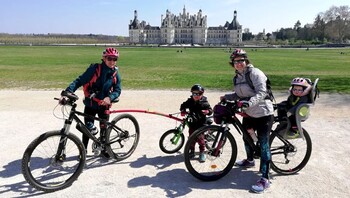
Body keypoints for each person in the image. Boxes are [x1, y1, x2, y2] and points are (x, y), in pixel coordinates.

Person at [220, 49, 274, 193]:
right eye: (235, 61)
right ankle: (250, 160)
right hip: (249, 113)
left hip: (263, 113)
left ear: (246, 60)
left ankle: (265, 178)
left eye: (241, 60)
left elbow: (262, 93)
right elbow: (238, 94)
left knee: (263, 144)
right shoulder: (237, 77)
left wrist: (248, 103)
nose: (238, 63)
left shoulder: (255, 73)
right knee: (246, 137)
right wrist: (227, 97)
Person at [62, 47, 121, 158]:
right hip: (91, 104)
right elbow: (79, 80)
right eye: (110, 58)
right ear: (104, 58)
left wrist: (110, 98)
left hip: (105, 106)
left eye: (115, 59)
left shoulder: (115, 73)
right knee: (87, 130)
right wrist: (68, 91)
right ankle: (83, 150)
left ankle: (104, 148)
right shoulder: (94, 69)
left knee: (104, 128)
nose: (112, 61)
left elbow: (118, 90)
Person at [180, 84, 213, 162]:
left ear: (202, 94)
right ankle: (192, 151)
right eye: (194, 93)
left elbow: (210, 110)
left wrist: (207, 111)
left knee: (200, 139)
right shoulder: (190, 101)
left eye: (199, 94)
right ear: (192, 93)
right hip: (192, 123)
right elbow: (183, 105)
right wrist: (183, 110)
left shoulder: (204, 102)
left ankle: (202, 152)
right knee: (191, 138)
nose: (196, 95)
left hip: (201, 123)